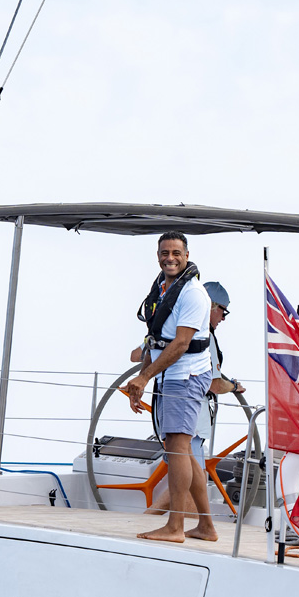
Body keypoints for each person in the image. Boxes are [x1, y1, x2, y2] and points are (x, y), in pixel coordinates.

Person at [124, 232, 216, 542]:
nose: (170, 258)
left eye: (176, 252)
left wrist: (144, 377)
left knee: (178, 447)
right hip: (169, 376)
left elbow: (180, 344)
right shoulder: (162, 290)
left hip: (186, 376)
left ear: (187, 256)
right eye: (165, 252)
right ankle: (206, 526)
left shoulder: (193, 294)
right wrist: (141, 379)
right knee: (184, 451)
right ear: (158, 255)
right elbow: (154, 339)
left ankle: (175, 526)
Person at [142, 280, 246, 516]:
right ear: (209, 306)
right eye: (223, 311)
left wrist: (151, 349)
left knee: (183, 474)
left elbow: (137, 354)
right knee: (189, 477)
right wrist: (234, 386)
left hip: (170, 412)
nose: (223, 318)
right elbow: (214, 384)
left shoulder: (171, 331)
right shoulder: (203, 338)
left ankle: (151, 521)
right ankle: (190, 530)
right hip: (192, 419)